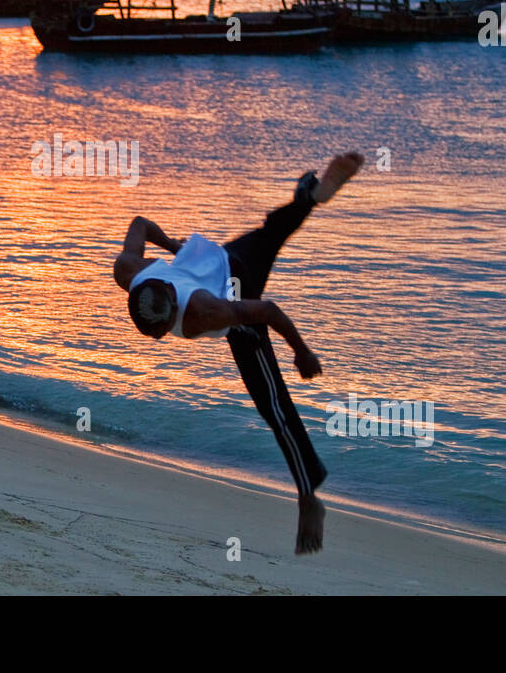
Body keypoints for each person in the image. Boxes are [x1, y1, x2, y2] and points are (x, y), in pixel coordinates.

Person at [112, 152, 365, 554]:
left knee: (273, 404)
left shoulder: (202, 314)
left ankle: (308, 497)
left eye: (160, 332)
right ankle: (308, 197)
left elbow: (265, 311)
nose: (159, 339)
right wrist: (175, 245)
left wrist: (302, 352)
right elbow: (140, 223)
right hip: (222, 256)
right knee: (271, 232)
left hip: (235, 296)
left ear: (170, 318)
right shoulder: (130, 271)